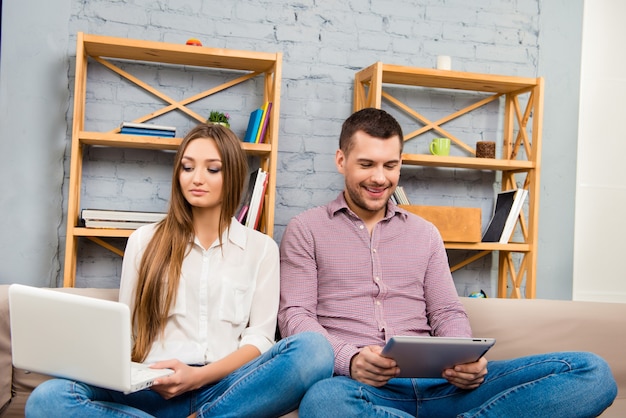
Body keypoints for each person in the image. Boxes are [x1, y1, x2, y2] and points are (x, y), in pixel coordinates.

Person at [278, 108, 617, 417]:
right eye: (366, 164)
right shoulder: (306, 230)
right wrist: (348, 360)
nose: (379, 178)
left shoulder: (424, 234)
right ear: (341, 160)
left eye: (390, 165)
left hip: (444, 386)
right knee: (323, 404)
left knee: (592, 372)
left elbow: (446, 312)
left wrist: (464, 358)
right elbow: (296, 316)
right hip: (361, 388)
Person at [26, 123, 333, 418]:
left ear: (234, 175)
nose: (196, 178)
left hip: (226, 390)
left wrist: (198, 378)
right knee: (47, 399)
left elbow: (261, 340)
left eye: (212, 169)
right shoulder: (144, 241)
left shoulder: (261, 248)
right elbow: (128, 331)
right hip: (153, 387)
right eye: (187, 167)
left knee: (315, 349)